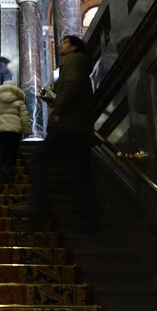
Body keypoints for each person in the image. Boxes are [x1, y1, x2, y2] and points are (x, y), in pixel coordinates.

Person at [18, 34, 98, 234]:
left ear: (73, 47)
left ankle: (40, 204)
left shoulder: (74, 61)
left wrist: (58, 111)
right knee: (82, 174)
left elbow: (72, 86)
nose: (61, 45)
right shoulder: (80, 64)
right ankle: (89, 220)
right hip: (81, 128)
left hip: (67, 126)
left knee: (38, 157)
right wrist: (53, 99)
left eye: (65, 42)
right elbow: (73, 90)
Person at [0, 79, 32, 187]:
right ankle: (11, 170)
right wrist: (27, 131)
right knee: (13, 152)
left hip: (3, 130)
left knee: (4, 151)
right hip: (15, 131)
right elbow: (24, 117)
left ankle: (3, 170)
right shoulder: (19, 101)